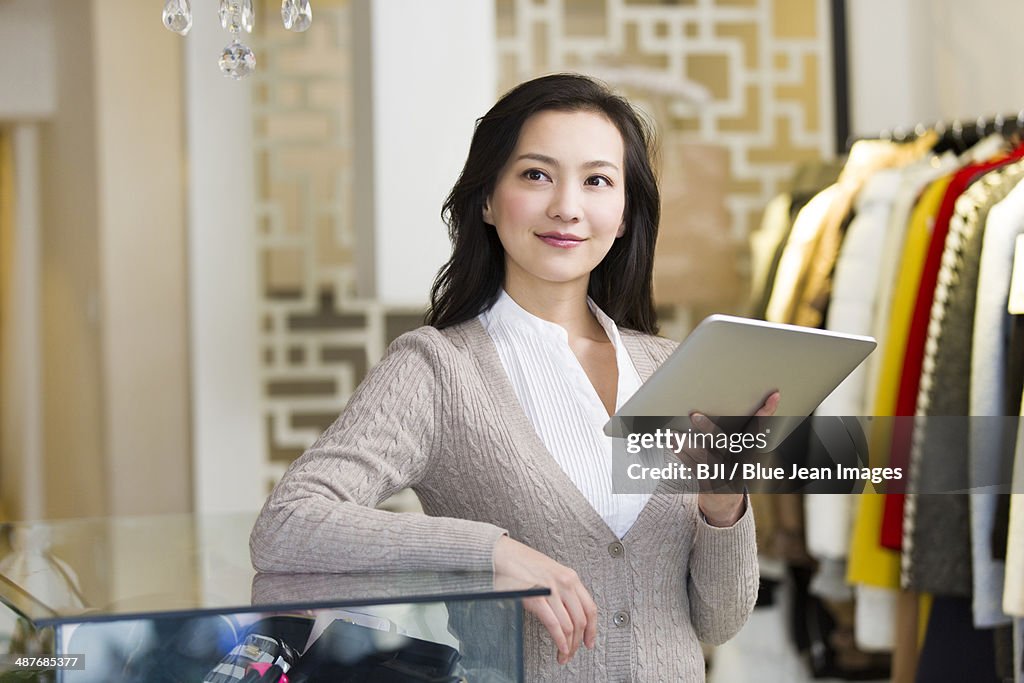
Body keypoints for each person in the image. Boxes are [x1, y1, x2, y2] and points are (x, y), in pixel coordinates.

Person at [250, 73, 776, 681]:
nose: (567, 207)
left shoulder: (675, 366)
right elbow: (288, 525)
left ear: (626, 213)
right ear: (486, 200)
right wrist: (490, 554)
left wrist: (723, 503)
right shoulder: (438, 371)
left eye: (597, 180)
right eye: (536, 174)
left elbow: (718, 622)